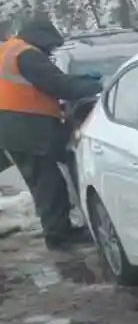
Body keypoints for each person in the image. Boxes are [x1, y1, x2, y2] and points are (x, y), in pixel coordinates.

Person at [0, 13, 103, 249]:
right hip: (27, 127)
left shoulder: (10, 49)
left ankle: (58, 230)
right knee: (48, 183)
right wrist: (97, 86)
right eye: (50, 46)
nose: (50, 51)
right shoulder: (27, 55)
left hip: (15, 126)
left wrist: (76, 79)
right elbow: (59, 85)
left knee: (43, 182)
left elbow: (49, 81)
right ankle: (59, 235)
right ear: (41, 38)